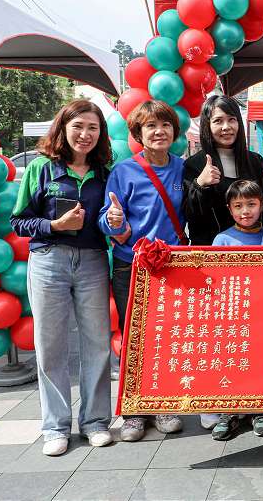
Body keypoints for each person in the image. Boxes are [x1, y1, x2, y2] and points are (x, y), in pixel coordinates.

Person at [10, 100, 114, 456]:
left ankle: (95, 421)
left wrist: (114, 221)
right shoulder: (40, 168)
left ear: (100, 134)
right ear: (63, 128)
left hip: (93, 261)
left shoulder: (104, 172)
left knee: (97, 343)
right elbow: (19, 220)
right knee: (51, 345)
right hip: (48, 261)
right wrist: (53, 225)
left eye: (92, 128)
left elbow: (110, 217)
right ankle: (55, 427)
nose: (85, 135)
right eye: (78, 127)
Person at [98, 100, 186, 442]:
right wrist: (113, 220)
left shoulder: (183, 168)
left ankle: (163, 402)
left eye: (164, 125)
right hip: (131, 263)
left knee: (166, 333)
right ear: (138, 134)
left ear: (174, 132)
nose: (159, 131)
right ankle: (134, 411)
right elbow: (106, 218)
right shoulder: (124, 171)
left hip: (173, 264)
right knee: (134, 335)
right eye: (150, 126)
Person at [206, 180, 263, 440]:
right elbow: (214, 277)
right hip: (233, 313)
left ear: (262, 204)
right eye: (238, 206)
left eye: (251, 204)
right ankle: (230, 411)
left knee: (259, 361)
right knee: (232, 362)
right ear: (229, 209)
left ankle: (259, 409)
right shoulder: (222, 239)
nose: (246, 211)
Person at [183, 95, 263, 246]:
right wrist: (200, 185)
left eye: (231, 119)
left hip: (253, 249)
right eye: (218, 121)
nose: (226, 127)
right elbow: (191, 216)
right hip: (212, 254)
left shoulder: (255, 162)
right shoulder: (194, 165)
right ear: (207, 126)